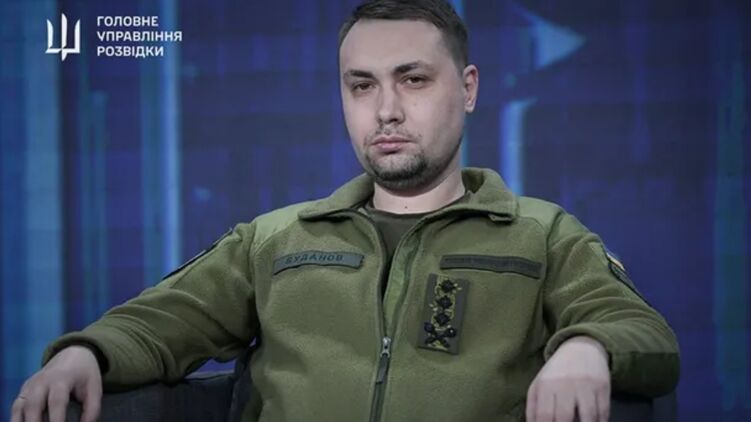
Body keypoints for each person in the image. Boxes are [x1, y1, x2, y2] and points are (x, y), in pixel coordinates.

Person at [11, 0, 680, 421]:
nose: (385, 110)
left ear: (468, 88)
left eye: (413, 79)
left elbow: (642, 332)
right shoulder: (274, 239)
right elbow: (159, 321)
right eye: (361, 85)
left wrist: (587, 347)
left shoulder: (541, 234)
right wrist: (85, 355)